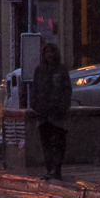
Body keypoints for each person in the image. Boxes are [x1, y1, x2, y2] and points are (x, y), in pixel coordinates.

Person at [30, 40, 74, 181]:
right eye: (47, 52)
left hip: (57, 113)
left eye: (52, 52)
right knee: (46, 143)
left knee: (58, 142)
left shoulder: (61, 71)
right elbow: (35, 89)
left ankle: (57, 169)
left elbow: (67, 90)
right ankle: (49, 168)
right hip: (43, 113)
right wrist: (35, 105)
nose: (49, 55)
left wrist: (62, 106)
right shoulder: (40, 70)